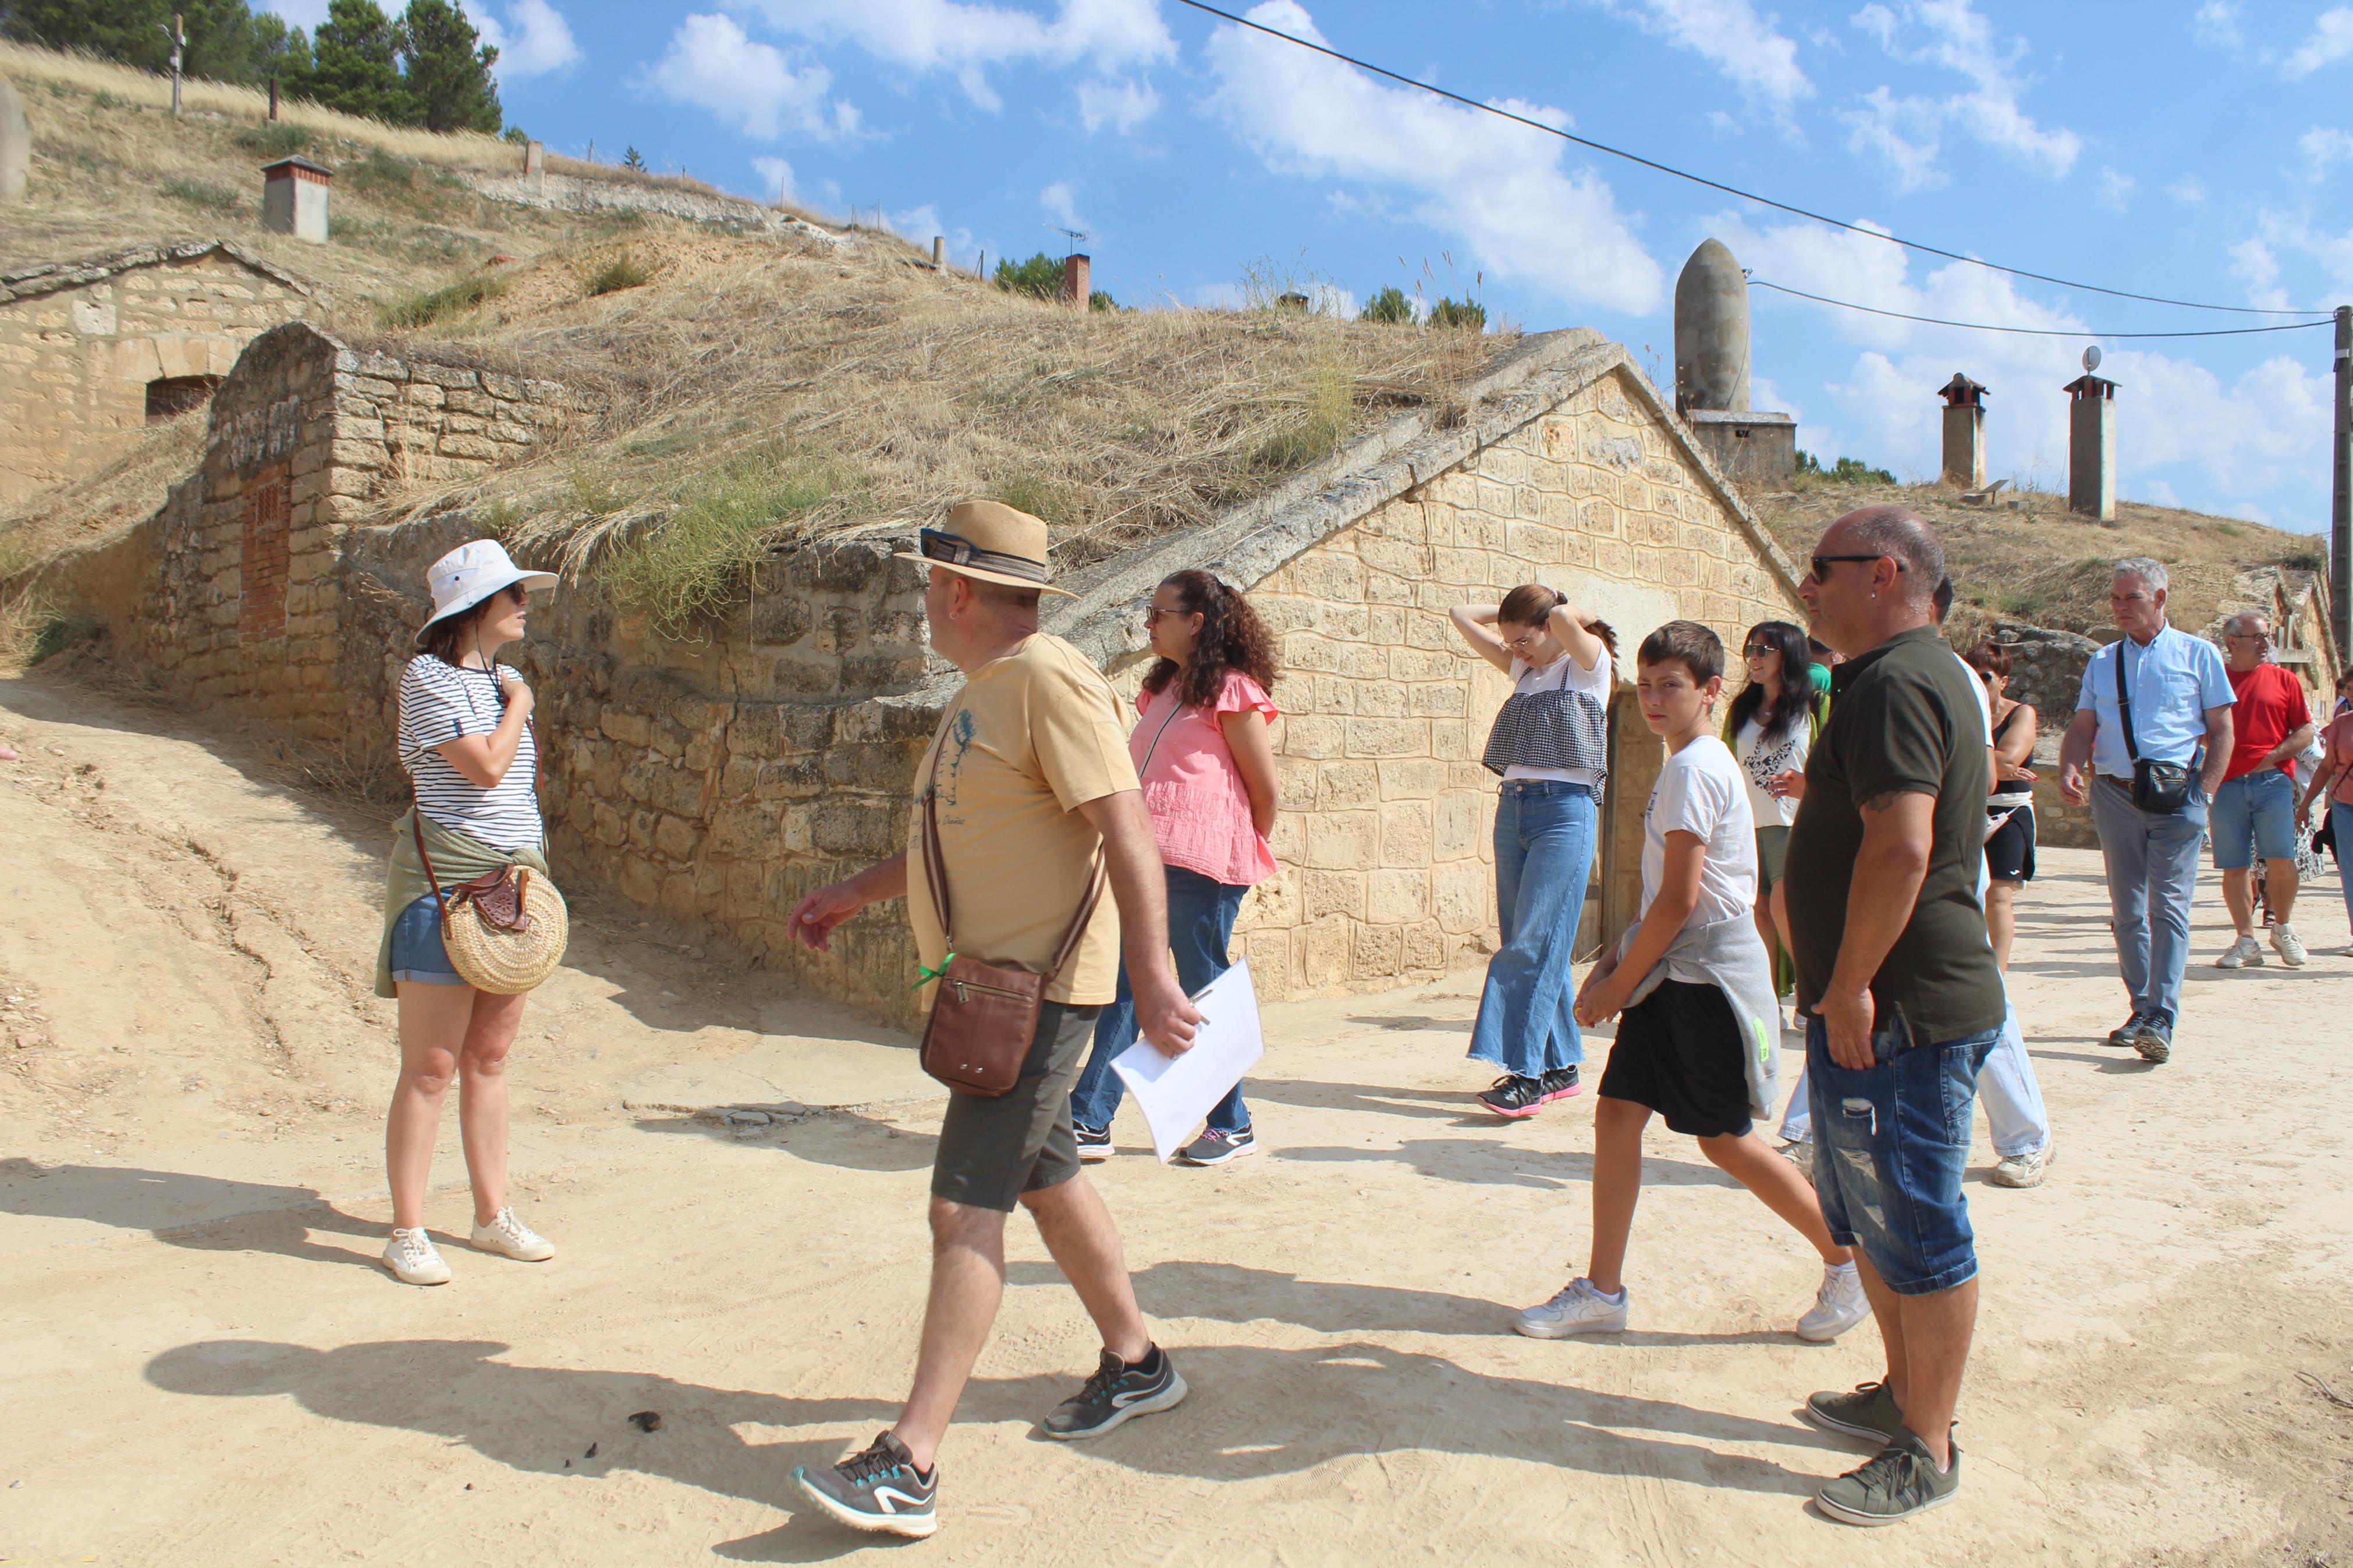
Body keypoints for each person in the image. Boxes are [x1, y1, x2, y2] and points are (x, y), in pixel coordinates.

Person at [785, 501, 1199, 1539]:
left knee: (962, 1206)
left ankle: (910, 1460)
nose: (924, 602)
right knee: (1046, 1174)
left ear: (957, 590)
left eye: (929, 584)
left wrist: (1152, 973)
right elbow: (960, 846)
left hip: (1037, 995)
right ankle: (1138, 1363)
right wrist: (851, 892)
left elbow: (1127, 826)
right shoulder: (985, 693)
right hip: (996, 985)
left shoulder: (1046, 680)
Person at [1515, 620, 1868, 1346]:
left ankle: (1845, 1262)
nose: (1652, 699)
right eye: (1643, 686)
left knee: (1725, 1140)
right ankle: (1602, 1290)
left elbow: (1681, 901)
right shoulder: (1693, 762)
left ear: (1710, 691)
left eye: (1669, 686)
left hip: (1700, 978)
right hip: (1676, 968)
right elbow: (1668, 898)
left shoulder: (1691, 769)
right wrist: (1619, 954)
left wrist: (1615, 987)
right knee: (1617, 1117)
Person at [1784, 508, 2009, 1526]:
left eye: (1818, 572)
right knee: (1871, 1214)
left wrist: (1849, 987)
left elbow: (1902, 848)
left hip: (1898, 1012)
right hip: (1882, 1007)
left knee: (1916, 1222)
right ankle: (1899, 1392)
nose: (1803, 590)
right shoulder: (1910, 676)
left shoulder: (1891, 682)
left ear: (1880, 575)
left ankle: (1927, 1443)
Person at [374, 539, 562, 1288]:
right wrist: (519, 704)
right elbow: (485, 767)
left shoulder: (502, 677)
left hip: (510, 883)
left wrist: (511, 695)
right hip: (441, 885)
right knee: (431, 1065)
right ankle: (407, 1230)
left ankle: (491, 1217)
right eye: (512, 593)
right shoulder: (428, 678)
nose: (524, 604)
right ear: (472, 607)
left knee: (488, 1058)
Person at [1069, 570, 1281, 1166]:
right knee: (1127, 984)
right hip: (1145, 861)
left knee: (1200, 991)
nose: (1148, 623)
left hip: (1203, 866)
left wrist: (1231, 847)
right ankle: (1089, 1118)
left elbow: (1264, 791)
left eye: (1158, 613)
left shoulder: (1234, 691)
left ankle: (1230, 1124)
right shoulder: (1162, 690)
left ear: (1196, 622)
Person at [2057, 559, 2234, 1065]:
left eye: (2130, 598)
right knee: (2126, 910)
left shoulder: (2198, 655)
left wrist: (2204, 793)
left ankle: (2163, 1013)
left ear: (2160, 598)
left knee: (2168, 908)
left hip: (2177, 796)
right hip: (2114, 793)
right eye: (2115, 598)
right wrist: (2071, 766)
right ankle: (2140, 1007)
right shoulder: (2103, 660)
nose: (2119, 607)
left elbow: (2221, 730)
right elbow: (2082, 725)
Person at [1449, 585, 1617, 1117]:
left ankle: (1525, 1075)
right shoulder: (1524, 669)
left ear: (1551, 627)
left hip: (1566, 812)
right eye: (1510, 642)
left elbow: (1569, 616)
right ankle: (1561, 1065)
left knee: (1532, 942)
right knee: (1523, 936)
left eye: (1524, 639)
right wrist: (1514, 624)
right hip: (1514, 807)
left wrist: (1569, 611)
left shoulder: (1589, 664)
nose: (1514, 650)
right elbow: (1459, 613)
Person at [1722, 621, 1826, 988]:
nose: (1754, 657)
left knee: (1787, 911)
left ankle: (1816, 993)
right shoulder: (1741, 708)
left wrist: (1811, 787)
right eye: (1751, 649)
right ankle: (1768, 997)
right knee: (1759, 914)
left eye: (1764, 650)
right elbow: (1728, 762)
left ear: (1790, 655)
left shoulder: (1814, 706)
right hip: (1749, 826)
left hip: (1793, 825)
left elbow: (1838, 763)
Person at [2208, 612, 2314, 970]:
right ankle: (2246, 940)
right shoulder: (2213, 680)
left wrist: (2271, 757)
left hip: (2273, 784)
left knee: (2282, 861)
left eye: (2267, 636)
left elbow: (2305, 732)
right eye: (2258, 637)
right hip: (2226, 787)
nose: (2266, 643)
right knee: (2234, 867)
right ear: (2233, 641)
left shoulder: (2285, 680)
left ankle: (2282, 928)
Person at [2297, 696, 2353, 955]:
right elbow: (2327, 765)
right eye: (2349, 690)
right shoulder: (2342, 725)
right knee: (2350, 872)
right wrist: (2307, 803)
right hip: (2346, 807)